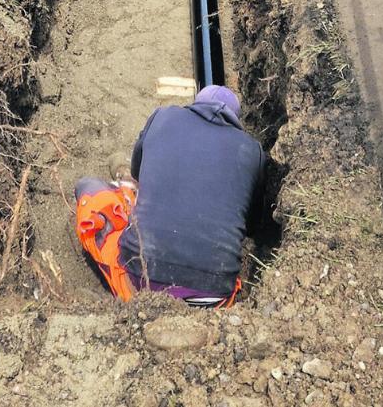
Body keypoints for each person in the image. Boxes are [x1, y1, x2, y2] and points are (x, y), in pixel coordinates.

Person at [74, 85, 266, 307]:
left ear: (196, 103)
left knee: (88, 188)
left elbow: (138, 172)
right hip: (213, 298)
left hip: (140, 279)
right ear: (235, 119)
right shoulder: (253, 151)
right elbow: (252, 225)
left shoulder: (163, 117)